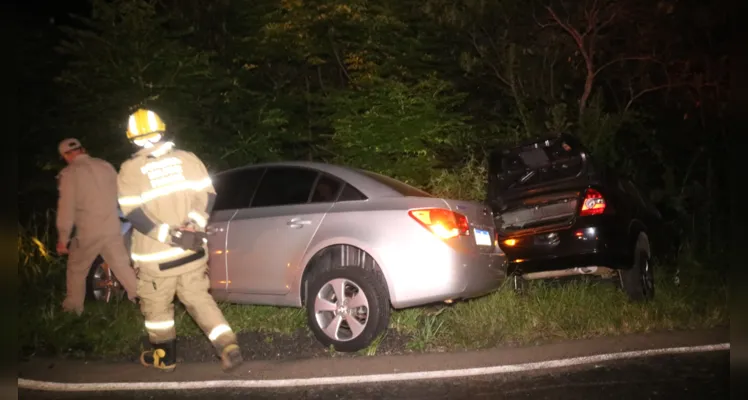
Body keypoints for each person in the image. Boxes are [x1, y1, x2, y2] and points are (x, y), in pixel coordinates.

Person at [117, 108, 244, 373]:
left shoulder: (130, 170)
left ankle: (164, 358)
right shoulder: (188, 159)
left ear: (132, 139)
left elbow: (134, 214)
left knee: (157, 311)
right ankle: (227, 344)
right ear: (162, 131)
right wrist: (193, 226)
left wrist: (170, 235)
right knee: (199, 299)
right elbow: (207, 196)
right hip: (193, 251)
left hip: (157, 261)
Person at [55, 138, 139, 315]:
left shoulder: (70, 173)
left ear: (66, 155)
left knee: (76, 270)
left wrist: (63, 238)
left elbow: (66, 209)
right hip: (112, 227)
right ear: (82, 149)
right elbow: (121, 193)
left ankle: (72, 309)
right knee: (123, 267)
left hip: (88, 232)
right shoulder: (105, 166)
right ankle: (143, 301)